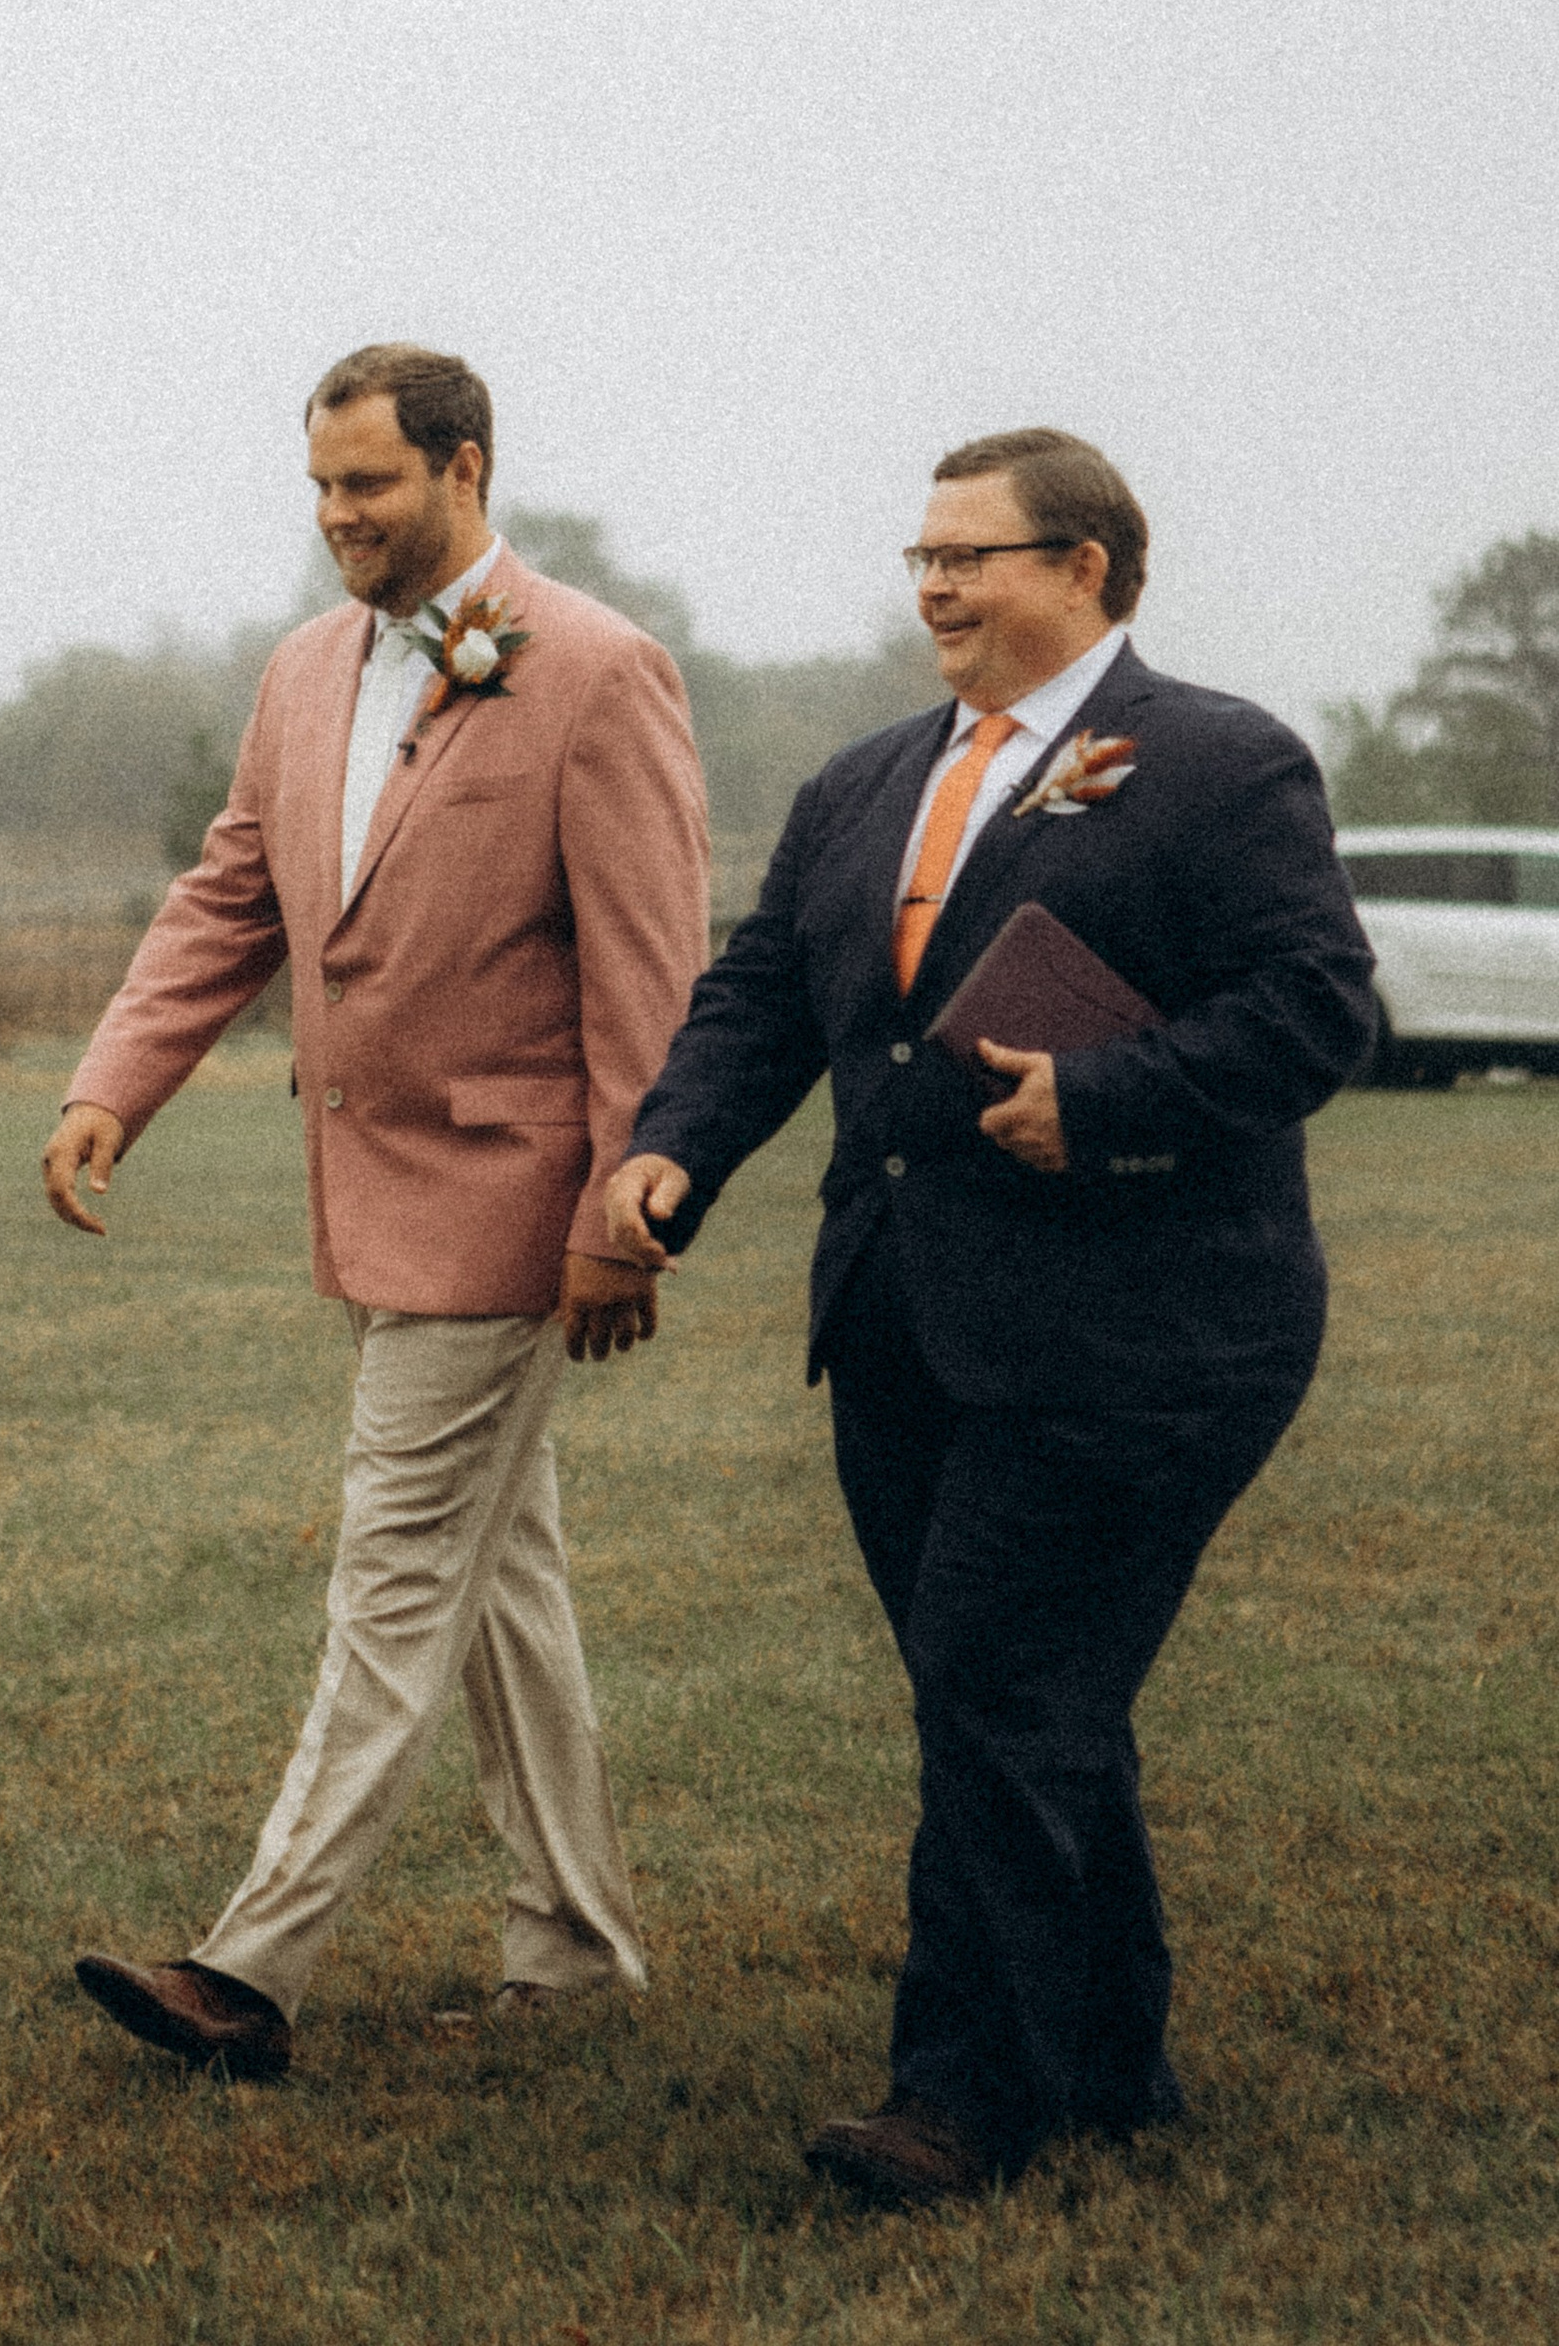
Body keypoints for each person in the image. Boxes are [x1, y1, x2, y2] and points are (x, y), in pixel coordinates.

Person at [608, 428, 1375, 2205]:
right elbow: (757, 1003)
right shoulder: (868, 782)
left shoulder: (1221, 764)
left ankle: (962, 2095)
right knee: (1020, 1702)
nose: (936, 585)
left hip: (1150, 1342)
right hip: (905, 1326)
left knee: (998, 1680)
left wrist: (1102, 1100)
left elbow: (1318, 1010)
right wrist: (670, 1160)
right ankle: (1111, 2058)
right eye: (922, 556)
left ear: (1091, 569)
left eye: (976, 555)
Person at [43, 343, 710, 2078]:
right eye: (322, 488)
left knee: (399, 1574)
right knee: (504, 1583)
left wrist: (621, 1218)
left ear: (466, 469)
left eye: (372, 485)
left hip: (511, 1209)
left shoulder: (598, 671)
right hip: (363, 1195)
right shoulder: (296, 675)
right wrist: (114, 1083)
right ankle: (573, 1940)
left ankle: (247, 1967)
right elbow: (230, 900)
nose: (339, 517)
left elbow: (651, 971)